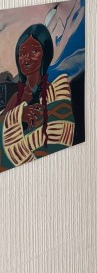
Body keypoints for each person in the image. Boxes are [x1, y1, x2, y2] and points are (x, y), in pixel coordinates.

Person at [0, 23, 75, 170]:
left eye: (34, 51)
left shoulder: (55, 92)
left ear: (45, 54)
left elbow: (60, 137)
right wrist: (18, 117)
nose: (26, 59)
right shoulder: (17, 96)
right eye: (22, 53)